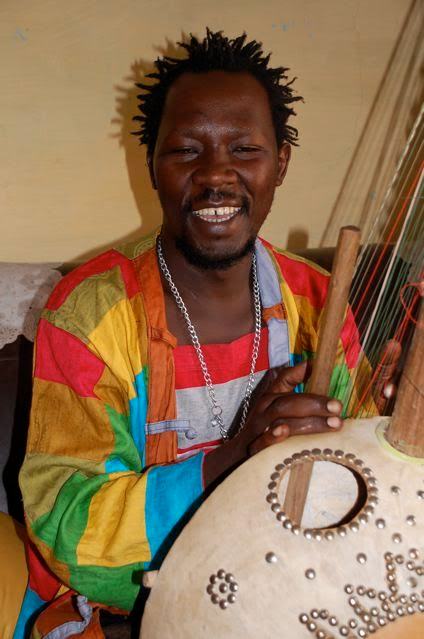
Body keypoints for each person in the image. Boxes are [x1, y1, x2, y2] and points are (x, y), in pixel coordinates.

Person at [15, 29, 364, 639]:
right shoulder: (90, 314)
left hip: (291, 594)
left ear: (280, 163)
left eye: (245, 149)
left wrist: (391, 429)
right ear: (153, 166)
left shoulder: (317, 300)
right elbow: (65, 526)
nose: (215, 176)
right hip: (125, 612)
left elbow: (353, 483)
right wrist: (233, 457)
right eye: (186, 151)